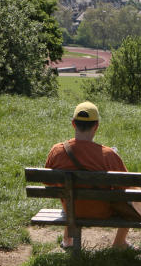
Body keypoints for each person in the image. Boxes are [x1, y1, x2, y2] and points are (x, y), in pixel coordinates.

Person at [44, 101, 130, 249]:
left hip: (72, 210)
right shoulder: (108, 155)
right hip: (102, 212)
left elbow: (48, 183)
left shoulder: (57, 151)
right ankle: (119, 243)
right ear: (96, 126)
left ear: (73, 124)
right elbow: (127, 186)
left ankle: (67, 240)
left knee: (70, 195)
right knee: (132, 200)